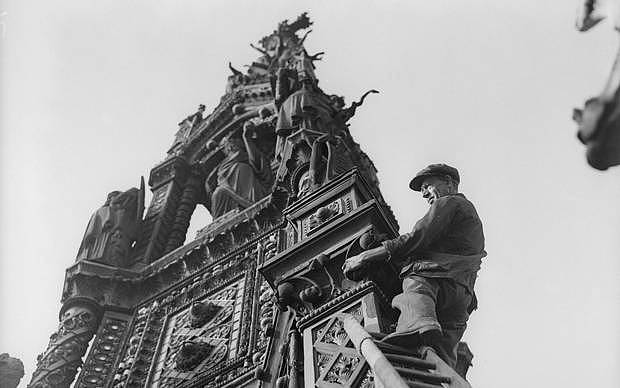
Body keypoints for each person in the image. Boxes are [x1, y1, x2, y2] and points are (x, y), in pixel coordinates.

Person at [342, 163, 486, 368]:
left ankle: (416, 325)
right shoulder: (470, 217)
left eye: (428, 186)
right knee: (443, 359)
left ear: (448, 183)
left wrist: (366, 256)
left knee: (414, 288)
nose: (425, 193)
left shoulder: (449, 203)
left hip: (436, 280)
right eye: (422, 190)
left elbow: (417, 237)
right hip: (462, 296)